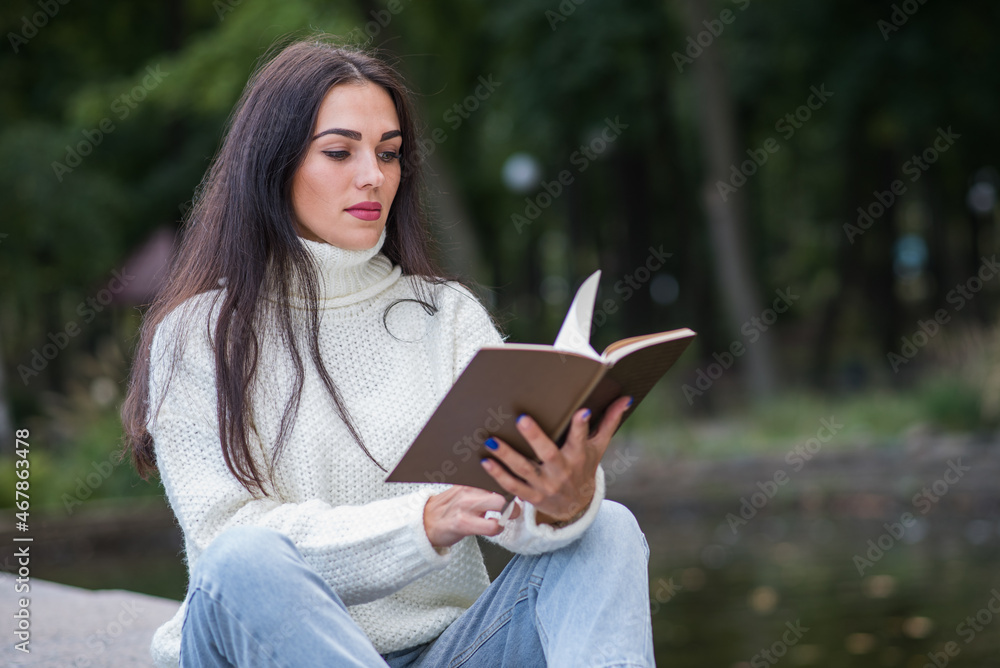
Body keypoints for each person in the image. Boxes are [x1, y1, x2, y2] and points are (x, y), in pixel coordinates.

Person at [121, 35, 655, 668]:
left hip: (449, 652)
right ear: (273, 164)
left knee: (608, 529)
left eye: (390, 153)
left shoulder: (445, 315)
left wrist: (561, 503)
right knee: (246, 556)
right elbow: (222, 544)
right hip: (265, 647)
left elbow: (504, 510)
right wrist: (425, 521)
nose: (373, 176)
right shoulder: (199, 334)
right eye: (340, 152)